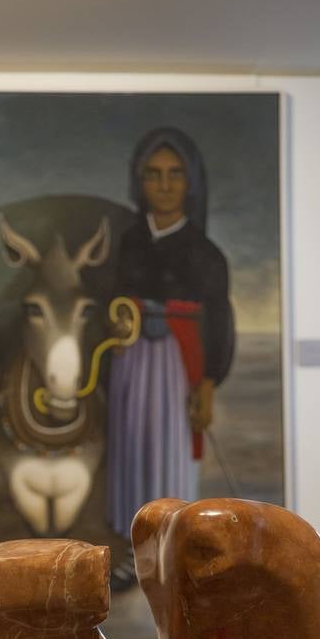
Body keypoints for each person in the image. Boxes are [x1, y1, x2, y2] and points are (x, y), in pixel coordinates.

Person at [107, 126, 235, 587]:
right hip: (131, 362)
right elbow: (114, 303)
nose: (164, 185)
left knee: (169, 454)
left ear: (190, 182)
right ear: (139, 183)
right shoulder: (129, 243)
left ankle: (171, 554)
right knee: (131, 452)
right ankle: (134, 553)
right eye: (154, 175)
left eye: (175, 174)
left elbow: (219, 321)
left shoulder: (205, 253)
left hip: (179, 366)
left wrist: (207, 386)